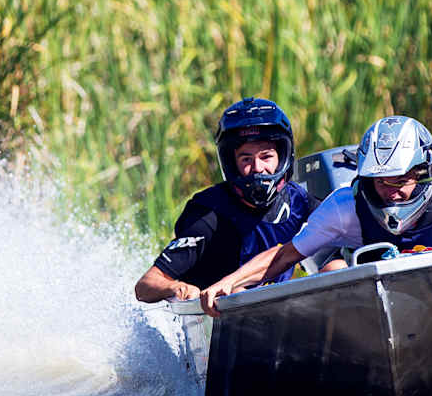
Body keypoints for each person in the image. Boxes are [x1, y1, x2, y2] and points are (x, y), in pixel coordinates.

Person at [200, 115, 432, 316]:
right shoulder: (345, 205)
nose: (390, 191)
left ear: (423, 172)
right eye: (380, 181)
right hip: (382, 308)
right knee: (331, 269)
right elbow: (286, 254)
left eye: (400, 179)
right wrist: (229, 283)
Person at [135, 97, 318, 303]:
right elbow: (145, 286)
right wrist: (176, 287)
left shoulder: (301, 203)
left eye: (266, 157)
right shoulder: (208, 214)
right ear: (232, 164)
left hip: (280, 312)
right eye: (246, 159)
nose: (258, 168)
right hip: (215, 315)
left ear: (282, 157)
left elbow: (333, 261)